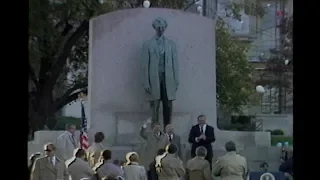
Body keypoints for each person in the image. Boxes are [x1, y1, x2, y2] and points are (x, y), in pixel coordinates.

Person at [142, 17, 179, 128]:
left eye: (163, 27)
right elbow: (145, 65)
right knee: (155, 106)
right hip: (154, 79)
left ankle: (168, 131)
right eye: (159, 27)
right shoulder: (148, 45)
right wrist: (146, 82)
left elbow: (175, 64)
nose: (161, 29)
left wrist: (176, 80)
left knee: (168, 105)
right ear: (155, 28)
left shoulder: (171, 44)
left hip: (168, 79)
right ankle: (155, 132)